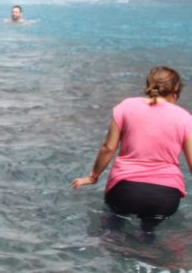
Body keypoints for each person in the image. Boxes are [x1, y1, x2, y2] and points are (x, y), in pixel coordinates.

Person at [72, 66, 192, 231]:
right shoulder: (185, 118)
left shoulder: (126, 106)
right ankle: (148, 242)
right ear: (175, 93)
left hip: (125, 190)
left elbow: (108, 148)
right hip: (165, 196)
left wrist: (93, 176)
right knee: (149, 232)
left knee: (113, 231)